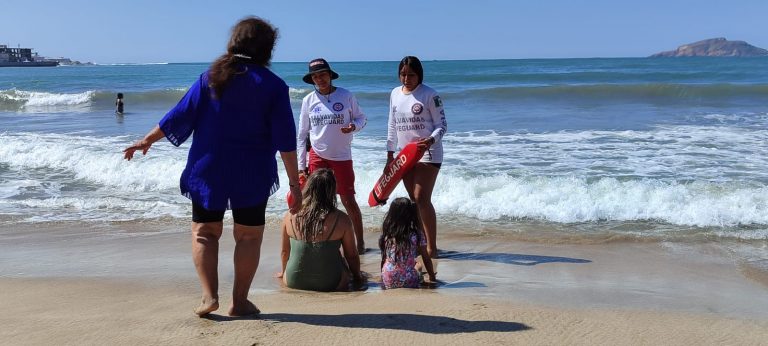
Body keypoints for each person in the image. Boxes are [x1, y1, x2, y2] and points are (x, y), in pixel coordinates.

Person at [122, 17, 301, 317]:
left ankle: (208, 298)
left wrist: (147, 140)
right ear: (265, 49)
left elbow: (179, 115)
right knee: (248, 236)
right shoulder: (274, 86)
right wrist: (295, 183)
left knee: (205, 232)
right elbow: (286, 141)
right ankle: (240, 301)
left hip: (209, 169)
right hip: (252, 172)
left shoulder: (210, 78)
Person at [297, 58, 368, 253]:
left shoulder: (346, 96)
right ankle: (318, 242)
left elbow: (362, 118)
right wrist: (301, 165)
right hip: (317, 156)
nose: (319, 79)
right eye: (315, 76)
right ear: (311, 79)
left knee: (348, 200)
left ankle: (359, 243)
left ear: (330, 75)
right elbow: (302, 134)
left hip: (342, 157)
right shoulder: (308, 101)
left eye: (322, 74)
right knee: (315, 202)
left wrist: (354, 126)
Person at [386, 56, 447, 261]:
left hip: (428, 153)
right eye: (403, 74)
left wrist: (430, 140)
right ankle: (419, 244)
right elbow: (392, 126)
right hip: (405, 155)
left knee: (422, 198)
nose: (406, 78)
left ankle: (432, 247)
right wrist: (389, 154)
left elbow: (442, 125)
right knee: (413, 201)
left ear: (419, 74)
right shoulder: (394, 94)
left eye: (411, 74)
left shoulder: (430, 94)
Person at [279, 168, 364, 291]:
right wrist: (357, 277)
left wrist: (283, 273)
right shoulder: (342, 220)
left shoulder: (290, 215)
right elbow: (351, 256)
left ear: (308, 187)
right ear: (332, 191)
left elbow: (284, 252)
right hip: (331, 283)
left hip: (293, 281)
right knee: (342, 261)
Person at [379, 197, 436, 289]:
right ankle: (419, 275)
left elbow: (384, 258)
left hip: (388, 278)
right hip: (408, 281)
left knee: (395, 264)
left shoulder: (387, 234)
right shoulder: (416, 234)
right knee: (418, 266)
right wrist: (432, 277)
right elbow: (426, 258)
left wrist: (383, 277)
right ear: (411, 214)